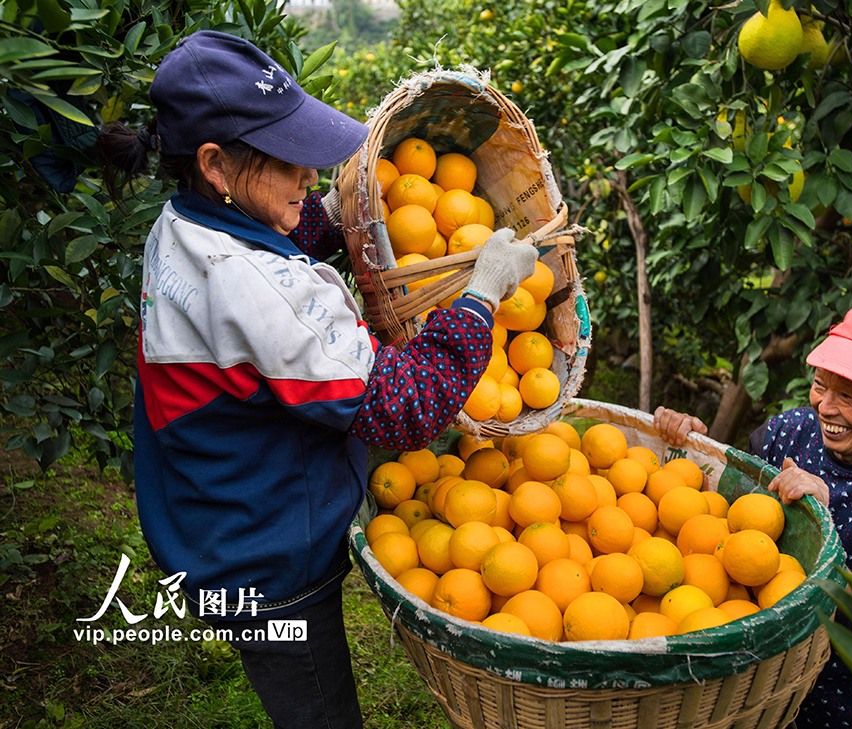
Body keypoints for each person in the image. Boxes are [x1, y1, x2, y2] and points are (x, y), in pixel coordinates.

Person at [96, 30, 538, 729]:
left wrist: (330, 223)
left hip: (209, 515)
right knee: (319, 708)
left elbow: (262, 254)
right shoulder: (253, 286)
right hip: (268, 557)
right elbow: (403, 406)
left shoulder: (183, 223)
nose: (307, 174)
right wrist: (481, 297)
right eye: (289, 158)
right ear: (215, 163)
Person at [654, 304, 852, 729]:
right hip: (751, 691)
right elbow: (719, 525)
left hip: (851, 704)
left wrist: (824, 522)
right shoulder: (791, 432)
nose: (826, 407)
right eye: (821, 384)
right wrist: (688, 457)